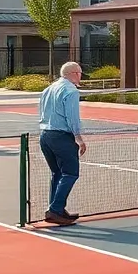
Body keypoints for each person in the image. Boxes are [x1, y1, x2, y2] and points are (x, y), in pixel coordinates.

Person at [37, 61, 88, 226]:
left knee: (57, 173)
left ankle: (56, 209)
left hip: (45, 135)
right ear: (73, 73)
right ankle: (56, 209)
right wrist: (79, 138)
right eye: (80, 73)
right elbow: (72, 117)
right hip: (61, 136)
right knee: (71, 173)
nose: (81, 76)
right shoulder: (71, 91)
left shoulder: (48, 89)